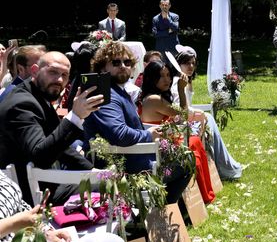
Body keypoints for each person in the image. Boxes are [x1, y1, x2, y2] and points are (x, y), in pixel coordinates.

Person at [83, 42, 189, 204]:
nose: (123, 66)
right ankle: (156, 212)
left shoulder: (116, 90)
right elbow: (119, 134)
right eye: (116, 63)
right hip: (124, 168)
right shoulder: (106, 95)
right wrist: (148, 134)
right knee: (184, 166)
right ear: (103, 67)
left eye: (127, 62)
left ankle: (158, 211)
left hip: (132, 158)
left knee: (181, 158)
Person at [0, 52, 102, 205]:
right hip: (28, 195)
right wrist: (75, 117)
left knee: (106, 181)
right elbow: (40, 156)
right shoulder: (21, 104)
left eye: (65, 75)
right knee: (106, 187)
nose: (59, 80)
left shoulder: (37, 95)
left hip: (44, 183)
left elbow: (62, 148)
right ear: (34, 71)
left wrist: (92, 170)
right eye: (53, 72)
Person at [139, 61, 215, 203]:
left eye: (168, 75)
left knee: (194, 140)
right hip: (162, 147)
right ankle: (201, 195)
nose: (167, 79)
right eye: (161, 76)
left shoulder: (150, 96)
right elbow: (183, 114)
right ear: (151, 78)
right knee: (194, 142)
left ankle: (201, 193)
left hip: (165, 141)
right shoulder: (154, 99)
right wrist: (181, 90)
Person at [171, 46, 243, 180]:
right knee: (208, 117)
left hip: (190, 119)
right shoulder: (177, 83)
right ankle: (223, 165)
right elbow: (179, 109)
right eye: (187, 63)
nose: (191, 66)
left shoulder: (187, 81)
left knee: (208, 117)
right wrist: (198, 113)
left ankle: (222, 164)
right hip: (180, 124)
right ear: (178, 64)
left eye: (193, 63)